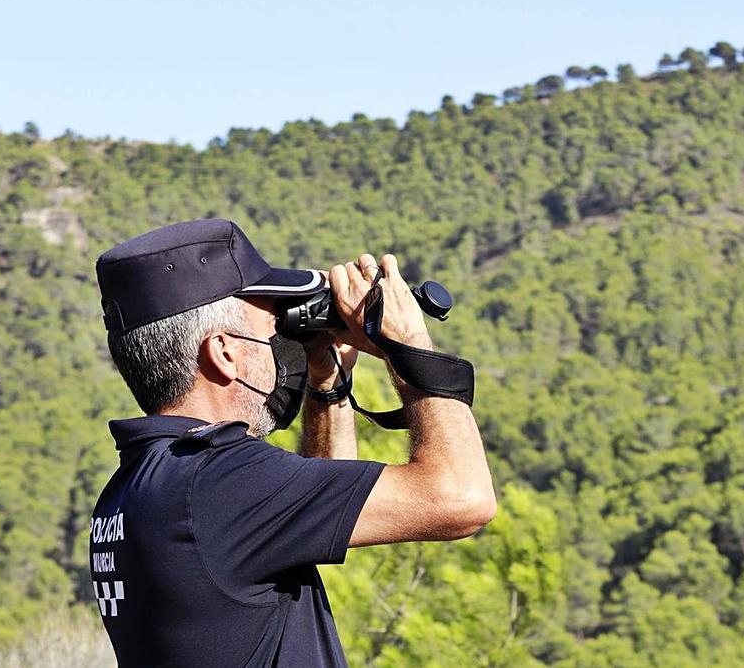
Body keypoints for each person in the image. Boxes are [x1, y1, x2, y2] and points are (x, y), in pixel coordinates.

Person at [88, 218, 496, 667]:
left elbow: (319, 512)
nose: (282, 348)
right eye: (270, 332)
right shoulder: (219, 481)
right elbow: (463, 499)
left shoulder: (139, 486)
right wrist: (409, 343)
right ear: (224, 353)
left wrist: (326, 380)